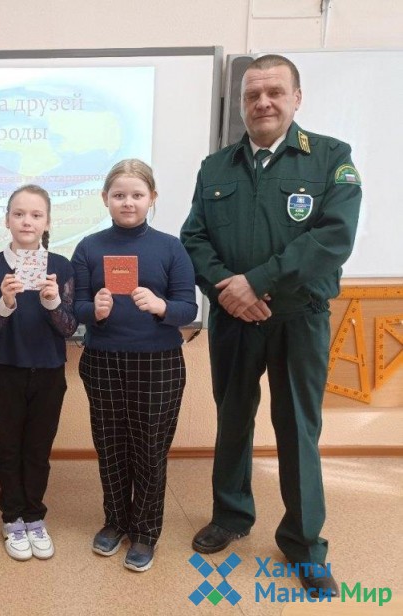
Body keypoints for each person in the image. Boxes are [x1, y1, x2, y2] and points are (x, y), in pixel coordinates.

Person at [181, 54, 361, 597]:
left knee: (298, 429)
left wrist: (257, 282)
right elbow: (194, 238)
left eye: (274, 92)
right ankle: (231, 515)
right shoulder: (216, 166)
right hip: (234, 320)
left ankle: (303, 544)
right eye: (252, 95)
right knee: (233, 419)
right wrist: (228, 289)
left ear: (296, 98)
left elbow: (333, 238)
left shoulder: (331, 158)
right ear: (241, 104)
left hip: (298, 319)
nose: (262, 102)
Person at [72, 159, 197, 572]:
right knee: (110, 447)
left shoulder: (171, 247)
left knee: (150, 449)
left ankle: (145, 532)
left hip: (159, 363)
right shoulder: (88, 247)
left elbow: (188, 308)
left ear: (152, 198)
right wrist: (95, 309)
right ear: (105, 199)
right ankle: (115, 521)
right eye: (119, 195)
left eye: (137, 195)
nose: (128, 202)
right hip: (103, 360)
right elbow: (76, 308)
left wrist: (161, 306)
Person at [0, 185, 77, 561]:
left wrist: (52, 302)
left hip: (49, 371)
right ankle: (11, 518)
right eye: (19, 214)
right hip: (8, 370)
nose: (27, 221)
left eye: (36, 215)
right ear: (7, 220)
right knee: (9, 447)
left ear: (47, 222)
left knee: (38, 449)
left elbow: (68, 327)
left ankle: (34, 516)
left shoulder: (61, 265)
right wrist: (5, 302)